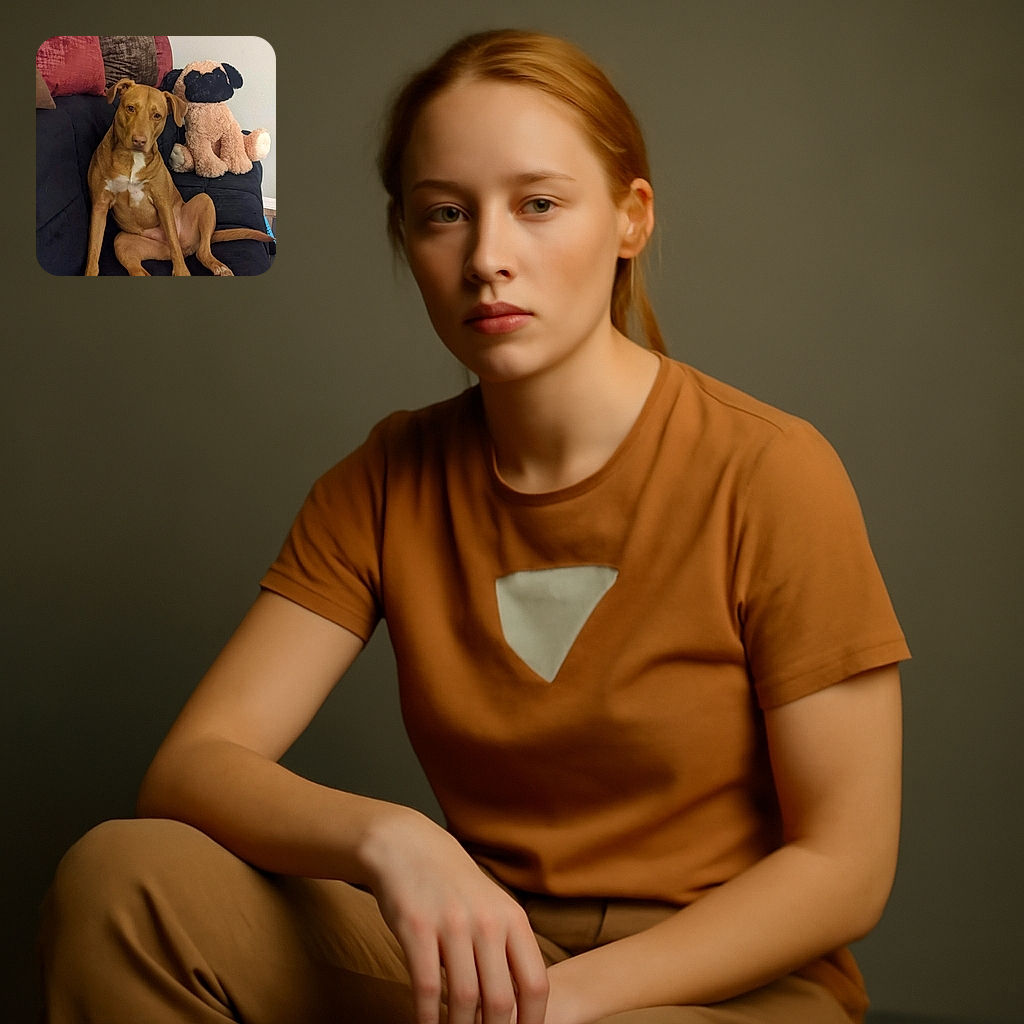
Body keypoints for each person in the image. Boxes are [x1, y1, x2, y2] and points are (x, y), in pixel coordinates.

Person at [39, 29, 909, 1024]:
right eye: (445, 214)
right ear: (407, 237)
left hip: (724, 991)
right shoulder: (383, 479)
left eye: (538, 204)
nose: (488, 257)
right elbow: (194, 766)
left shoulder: (771, 470)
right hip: (481, 956)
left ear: (630, 220)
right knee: (124, 880)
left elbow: (846, 866)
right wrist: (396, 840)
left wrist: (561, 1004)